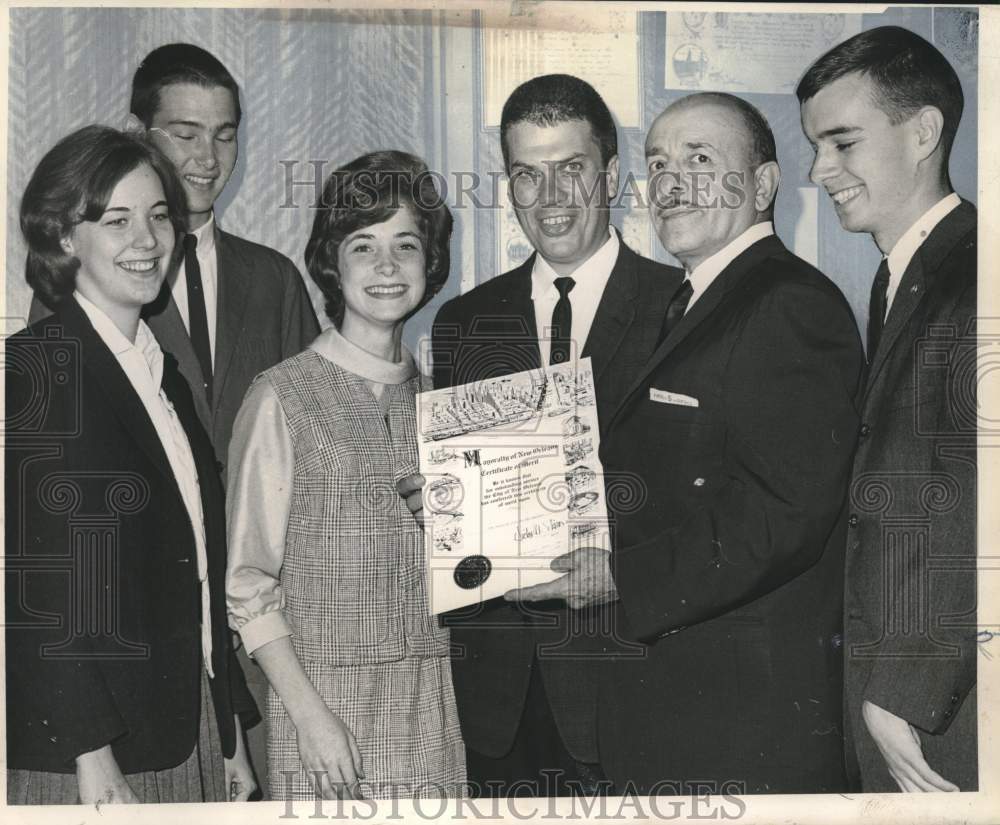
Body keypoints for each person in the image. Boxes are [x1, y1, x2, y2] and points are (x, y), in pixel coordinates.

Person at [509, 92, 865, 794]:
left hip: (742, 727)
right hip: (683, 711)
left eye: (701, 159)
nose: (672, 182)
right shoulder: (696, 299)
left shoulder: (790, 303)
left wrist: (618, 575)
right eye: (659, 163)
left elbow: (779, 515)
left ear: (763, 185)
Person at [401, 73, 675, 797]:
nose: (549, 198)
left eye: (571, 170)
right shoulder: (463, 322)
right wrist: (445, 506)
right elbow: (471, 527)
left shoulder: (678, 308)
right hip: (501, 697)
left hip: (634, 682)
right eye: (527, 174)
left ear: (611, 176)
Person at [5, 125, 257, 804]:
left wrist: (228, 729)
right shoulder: (42, 367)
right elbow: (40, 592)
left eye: (158, 217)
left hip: (185, 725)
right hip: (97, 751)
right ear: (63, 236)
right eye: (117, 220)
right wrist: (91, 753)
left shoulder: (160, 373)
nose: (147, 241)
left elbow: (195, 564)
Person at [225, 151, 466, 800]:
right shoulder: (281, 396)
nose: (387, 267)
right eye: (364, 245)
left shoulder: (446, 406)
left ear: (431, 262)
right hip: (327, 719)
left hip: (435, 715)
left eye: (406, 245)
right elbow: (248, 585)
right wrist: (312, 717)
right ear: (333, 263)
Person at [799, 26, 977, 793]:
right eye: (815, 146)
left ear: (923, 132)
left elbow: (981, 494)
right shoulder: (902, 277)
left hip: (938, 705)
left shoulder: (976, 274)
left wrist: (903, 688)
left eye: (841, 143)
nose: (819, 169)